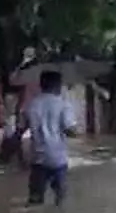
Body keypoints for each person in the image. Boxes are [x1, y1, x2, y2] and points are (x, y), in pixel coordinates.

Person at [22, 69, 79, 205]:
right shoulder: (63, 104)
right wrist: (75, 129)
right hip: (58, 159)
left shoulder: (31, 104)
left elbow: (21, 128)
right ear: (58, 85)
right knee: (61, 200)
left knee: (35, 200)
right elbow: (71, 131)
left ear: (41, 85)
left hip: (38, 158)